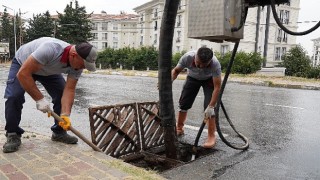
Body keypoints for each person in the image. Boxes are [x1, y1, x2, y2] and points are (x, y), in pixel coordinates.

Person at [3, 37, 97, 153]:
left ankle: (59, 132)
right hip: (24, 65)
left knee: (61, 93)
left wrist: (65, 114)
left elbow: (69, 89)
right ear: (73, 55)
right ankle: (12, 134)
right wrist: (40, 99)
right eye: (83, 65)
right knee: (14, 96)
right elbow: (23, 74)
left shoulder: (77, 65)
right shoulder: (50, 49)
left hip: (48, 71)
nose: (83, 68)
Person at [172, 47, 222, 148]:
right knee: (184, 103)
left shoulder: (215, 64)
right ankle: (179, 128)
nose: (200, 67)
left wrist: (211, 106)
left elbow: (217, 87)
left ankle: (211, 137)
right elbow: (176, 71)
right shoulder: (187, 57)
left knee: (209, 108)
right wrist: (168, 82)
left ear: (209, 62)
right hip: (192, 78)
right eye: (198, 63)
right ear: (195, 57)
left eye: (204, 65)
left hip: (209, 80)